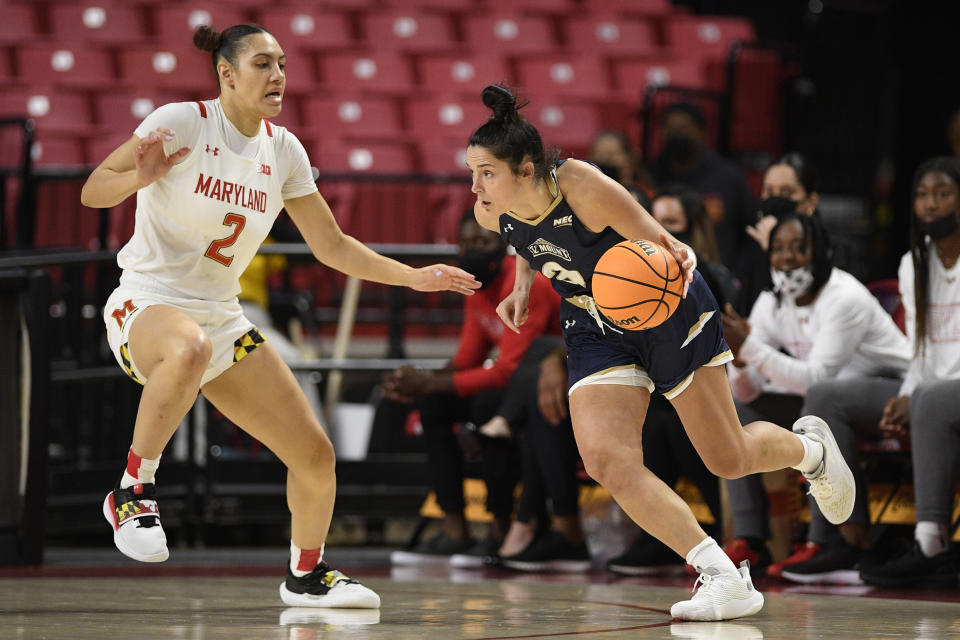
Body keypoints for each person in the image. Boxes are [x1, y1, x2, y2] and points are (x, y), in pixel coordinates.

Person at [80, 23, 480, 609]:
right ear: (227, 73)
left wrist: (414, 276)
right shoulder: (183, 121)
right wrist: (137, 179)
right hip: (147, 301)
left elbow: (334, 246)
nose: (278, 76)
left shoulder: (284, 149)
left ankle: (307, 575)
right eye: (263, 64)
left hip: (221, 316)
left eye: (283, 65)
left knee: (314, 454)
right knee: (187, 347)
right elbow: (94, 189)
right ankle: (132, 491)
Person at [467, 84, 855, 622]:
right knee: (606, 459)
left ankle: (810, 452)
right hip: (592, 320)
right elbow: (525, 236)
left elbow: (664, 249)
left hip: (663, 306)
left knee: (727, 456)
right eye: (472, 172)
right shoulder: (494, 212)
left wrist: (671, 267)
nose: (475, 186)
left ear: (528, 169)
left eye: (486, 172)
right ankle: (719, 573)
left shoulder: (580, 184)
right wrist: (524, 284)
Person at [720, 213, 912, 579]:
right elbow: (748, 389)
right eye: (778, 249)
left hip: (895, 390)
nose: (787, 257)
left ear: (821, 252)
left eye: (798, 248)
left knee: (822, 396)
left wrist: (750, 345)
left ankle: (829, 541)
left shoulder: (844, 297)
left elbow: (816, 378)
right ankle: (750, 540)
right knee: (736, 406)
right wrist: (741, 359)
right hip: (829, 400)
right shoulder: (771, 302)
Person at [384, 211, 561, 568]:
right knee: (433, 404)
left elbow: (507, 370)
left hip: (544, 387)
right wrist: (417, 381)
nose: (470, 251)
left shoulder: (530, 285)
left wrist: (429, 380)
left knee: (486, 407)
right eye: (464, 244)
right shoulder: (474, 285)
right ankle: (455, 529)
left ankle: (498, 528)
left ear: (504, 247)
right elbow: (468, 358)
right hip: (510, 384)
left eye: (481, 242)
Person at [855, 156, 960, 589]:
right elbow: (920, 347)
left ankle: (930, 542)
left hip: (942, 395)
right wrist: (907, 393)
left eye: (942, 193)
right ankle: (841, 541)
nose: (930, 203)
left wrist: (921, 396)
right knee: (829, 396)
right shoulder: (912, 263)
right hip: (933, 391)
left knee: (931, 401)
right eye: (921, 195)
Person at [648, 101, 756, 277]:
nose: (677, 135)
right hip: (659, 275)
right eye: (671, 129)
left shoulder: (728, 177)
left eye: (683, 129)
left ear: (701, 132)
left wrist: (736, 277)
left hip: (719, 277)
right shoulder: (651, 175)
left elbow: (750, 232)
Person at [589, 129, 653, 207]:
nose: (604, 161)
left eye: (611, 155)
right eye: (598, 156)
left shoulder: (649, 198)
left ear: (630, 159)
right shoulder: (582, 197)